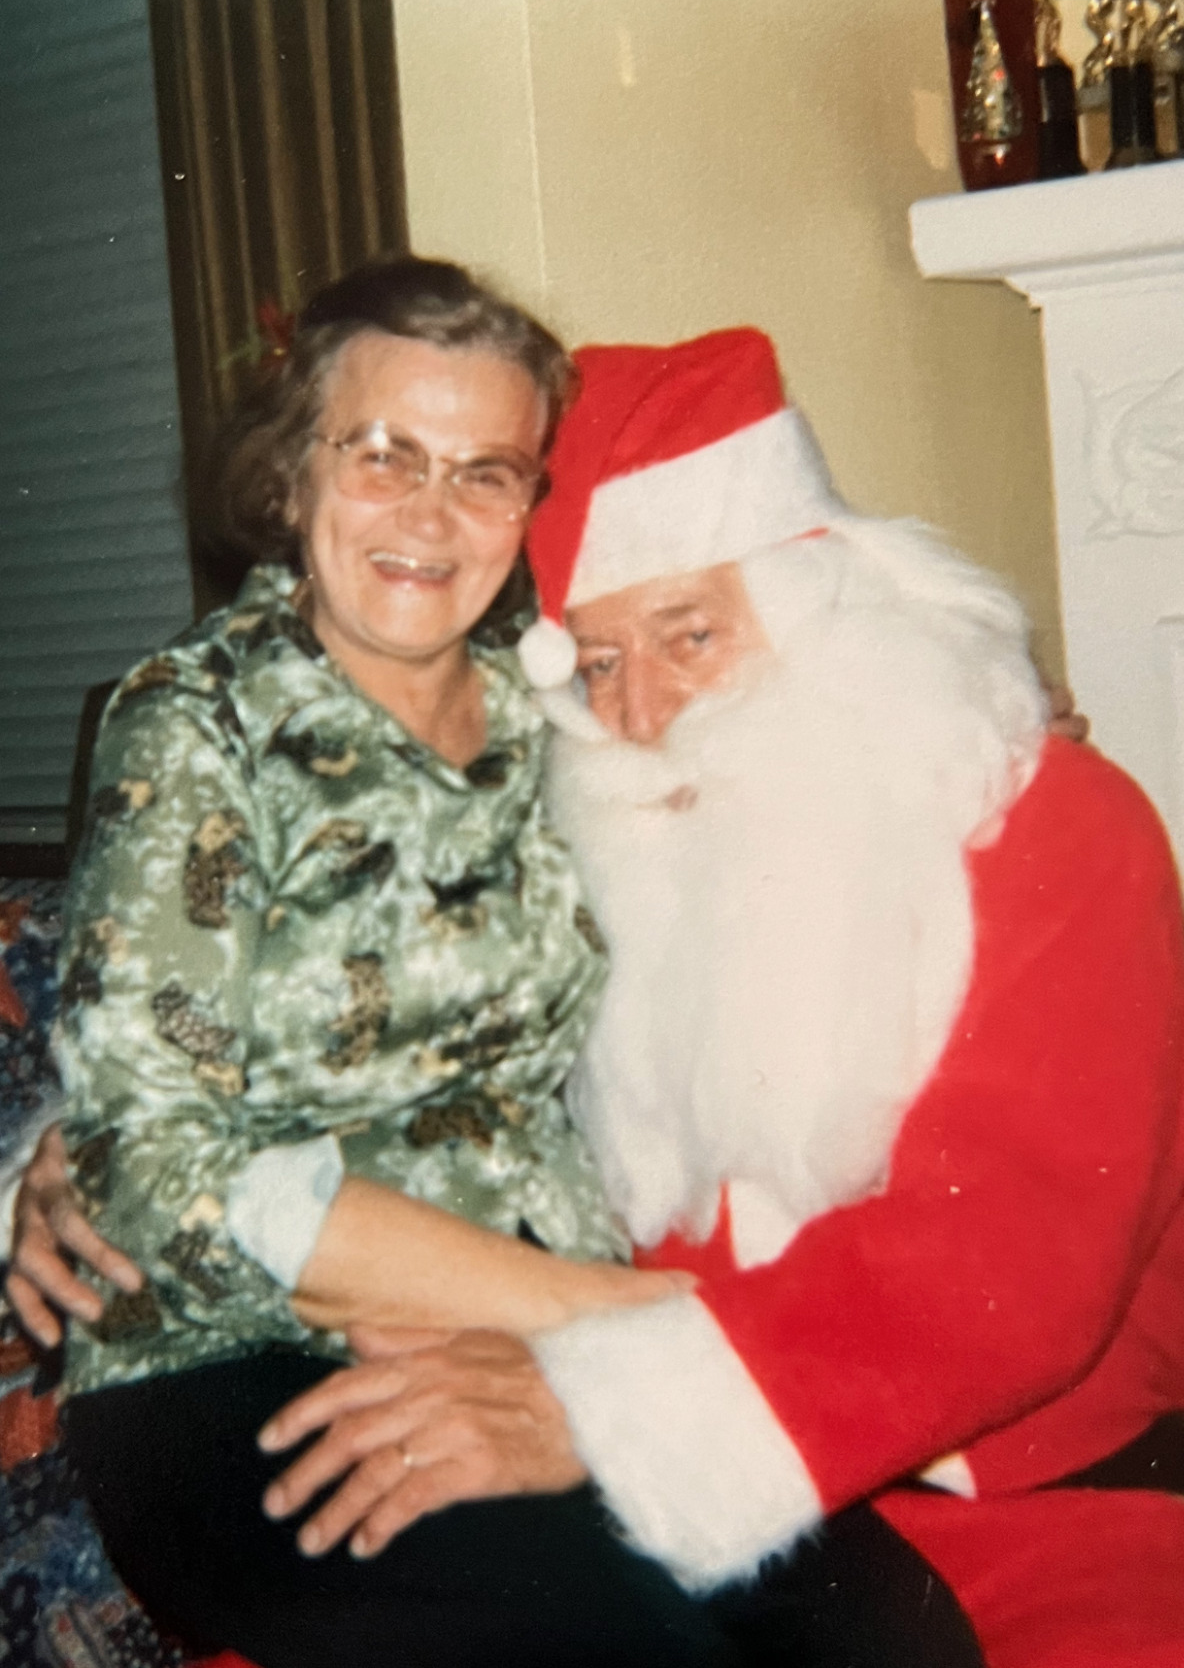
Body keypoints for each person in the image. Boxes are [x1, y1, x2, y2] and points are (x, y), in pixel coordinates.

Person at [231, 329, 1184, 1668]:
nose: (646, 714)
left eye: (689, 636)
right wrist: (89, 1158)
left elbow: (1008, 1266)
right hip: (648, 1505)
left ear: (821, 605)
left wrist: (601, 1410)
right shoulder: (589, 850)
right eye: (599, 661)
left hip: (1025, 1521)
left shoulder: (1055, 826)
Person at [5, 259, 754, 1668]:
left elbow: (787, 779)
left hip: (542, 1340)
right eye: (382, 456)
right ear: (293, 474)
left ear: (533, 509)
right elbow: (159, 1175)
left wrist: (995, 738)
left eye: (484, 472)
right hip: (240, 1370)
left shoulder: (561, 716)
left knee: (889, 1629)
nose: (428, 513)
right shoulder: (197, 723)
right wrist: (631, 1321)